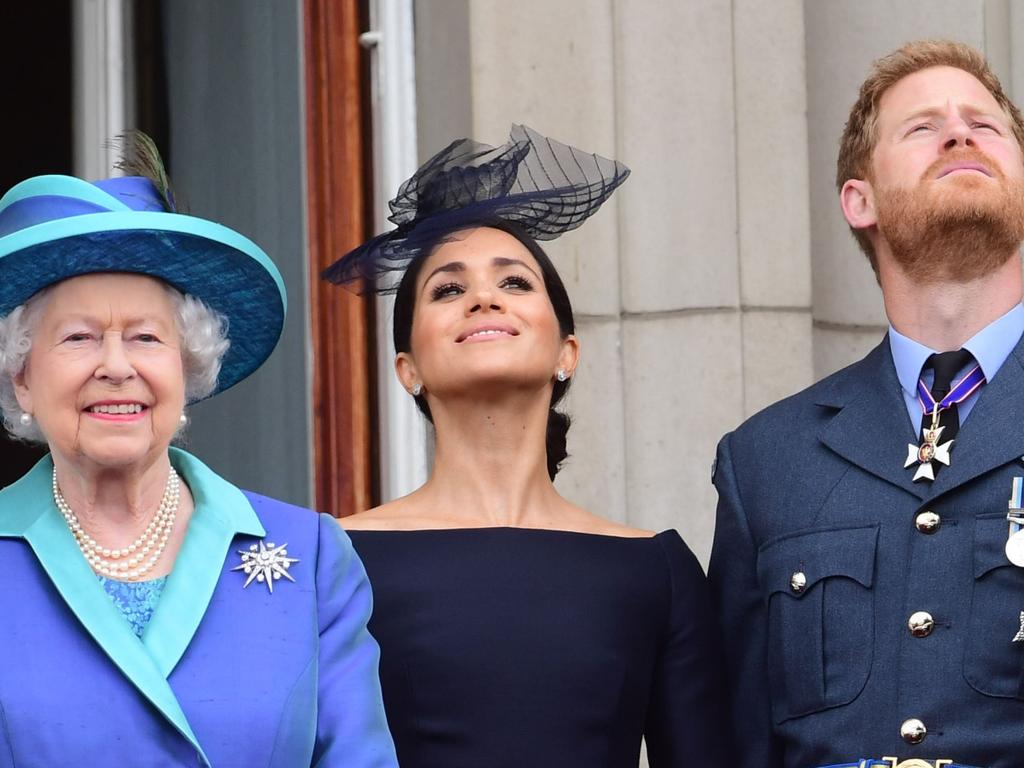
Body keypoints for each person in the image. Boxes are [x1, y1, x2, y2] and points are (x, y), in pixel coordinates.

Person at [324, 124, 730, 767]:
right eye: (448, 289)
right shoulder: (332, 559)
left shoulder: (660, 571)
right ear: (408, 369)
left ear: (567, 351)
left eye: (514, 282)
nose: (484, 297)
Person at [0, 134, 397, 767]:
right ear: (22, 376)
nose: (116, 367)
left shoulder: (313, 557)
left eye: (146, 338)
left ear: (188, 368)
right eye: (77, 338)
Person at [709, 40, 1024, 768]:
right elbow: (734, 742)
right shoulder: (765, 461)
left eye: (985, 124)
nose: (959, 133)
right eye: (922, 127)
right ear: (861, 201)